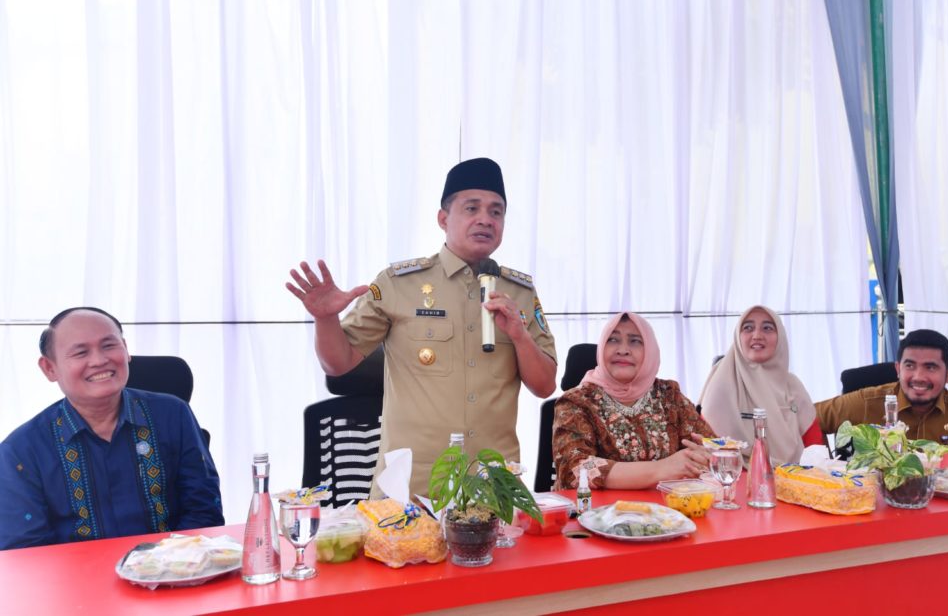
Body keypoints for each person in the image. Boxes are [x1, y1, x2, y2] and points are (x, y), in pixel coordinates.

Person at [287, 157, 557, 496]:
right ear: (443, 219)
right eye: (471, 208)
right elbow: (338, 363)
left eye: (496, 212)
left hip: (493, 488)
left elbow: (545, 386)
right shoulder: (398, 284)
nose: (485, 219)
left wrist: (518, 335)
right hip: (411, 490)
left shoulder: (520, 292)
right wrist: (325, 319)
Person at [0, 307, 223, 550]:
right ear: (49, 368)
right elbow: (25, 549)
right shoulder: (21, 451)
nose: (99, 360)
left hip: (174, 567)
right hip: (74, 574)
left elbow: (204, 511)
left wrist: (165, 565)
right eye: (81, 352)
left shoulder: (173, 414)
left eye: (108, 345)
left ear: (125, 350)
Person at [552, 312, 715, 490]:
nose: (623, 350)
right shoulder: (576, 402)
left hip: (667, 505)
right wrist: (661, 468)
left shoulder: (669, 395)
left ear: (650, 351)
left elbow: (711, 447)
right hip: (602, 507)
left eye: (635, 341)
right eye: (612, 340)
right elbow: (575, 469)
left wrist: (706, 455)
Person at [816, 329, 948, 447]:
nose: (919, 377)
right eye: (910, 366)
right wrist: (823, 467)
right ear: (898, 369)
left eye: (930, 367)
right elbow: (807, 417)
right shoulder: (866, 403)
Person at [698, 306, 822, 465]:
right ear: (737, 337)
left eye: (767, 328)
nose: (757, 336)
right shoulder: (721, 387)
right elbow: (706, 450)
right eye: (748, 328)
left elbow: (816, 451)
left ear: (780, 337)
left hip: (796, 476)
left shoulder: (793, 386)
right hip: (735, 476)